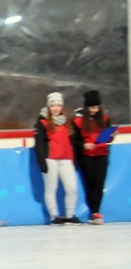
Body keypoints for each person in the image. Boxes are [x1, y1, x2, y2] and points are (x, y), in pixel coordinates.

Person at [34, 91, 82, 225]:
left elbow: (73, 142)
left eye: (58, 105)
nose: (56, 108)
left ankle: (70, 215)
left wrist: (74, 161)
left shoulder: (67, 122)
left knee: (72, 188)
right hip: (50, 159)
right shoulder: (42, 122)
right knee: (51, 188)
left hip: (66, 159)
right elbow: (39, 143)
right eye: (53, 105)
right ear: (49, 107)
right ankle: (54, 216)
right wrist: (42, 162)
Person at [72, 89, 112, 224]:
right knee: (90, 183)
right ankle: (93, 211)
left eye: (96, 107)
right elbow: (74, 140)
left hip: (102, 154)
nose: (94, 110)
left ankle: (96, 212)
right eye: (91, 107)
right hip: (86, 156)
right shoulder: (78, 121)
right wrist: (84, 145)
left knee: (99, 183)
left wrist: (111, 136)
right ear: (87, 107)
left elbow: (108, 138)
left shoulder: (105, 119)